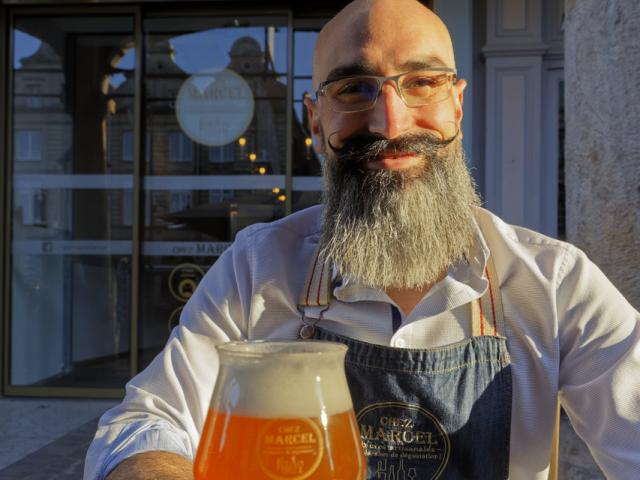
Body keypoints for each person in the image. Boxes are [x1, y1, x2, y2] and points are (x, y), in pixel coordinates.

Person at [84, 0, 640, 478]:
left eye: (422, 82)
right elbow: (146, 423)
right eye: (354, 88)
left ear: (457, 105)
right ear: (315, 120)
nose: (389, 123)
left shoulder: (555, 283)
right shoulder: (256, 269)